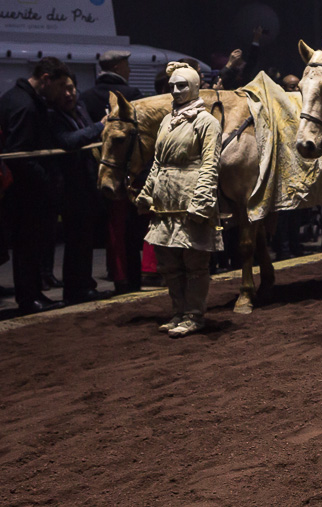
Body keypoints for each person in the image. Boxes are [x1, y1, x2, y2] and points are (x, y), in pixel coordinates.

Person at [136, 61, 224, 337]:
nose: (175, 90)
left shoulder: (207, 122)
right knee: (170, 265)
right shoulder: (166, 120)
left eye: (182, 85)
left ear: (196, 86)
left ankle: (194, 315)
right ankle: (178, 312)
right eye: (172, 86)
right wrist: (146, 192)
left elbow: (211, 164)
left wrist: (201, 201)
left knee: (195, 263)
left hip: (191, 196)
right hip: (166, 200)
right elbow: (158, 162)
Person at [0, 57, 74, 314]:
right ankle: (29, 296)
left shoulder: (17, 98)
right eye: (59, 86)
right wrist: (47, 182)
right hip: (27, 193)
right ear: (46, 79)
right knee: (27, 246)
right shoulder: (26, 106)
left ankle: (32, 293)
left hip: (21, 191)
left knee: (27, 246)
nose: (62, 93)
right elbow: (20, 155)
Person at [80, 49, 146, 294]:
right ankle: (131, 278)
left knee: (112, 228)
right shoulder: (131, 96)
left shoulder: (85, 97)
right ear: (118, 67)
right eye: (127, 66)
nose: (129, 71)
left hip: (97, 171)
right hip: (126, 172)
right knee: (129, 231)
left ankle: (117, 275)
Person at [50, 75, 107, 303]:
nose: (68, 94)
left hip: (87, 186)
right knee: (75, 242)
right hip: (70, 189)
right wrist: (101, 125)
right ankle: (75, 290)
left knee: (86, 241)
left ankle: (85, 285)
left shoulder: (80, 107)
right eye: (62, 89)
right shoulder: (53, 115)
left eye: (71, 88)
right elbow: (69, 140)